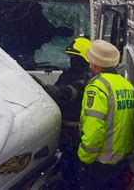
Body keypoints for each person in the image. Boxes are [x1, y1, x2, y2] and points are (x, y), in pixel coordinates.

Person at [77, 39, 134, 189]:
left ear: (95, 64)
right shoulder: (126, 85)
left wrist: (84, 158)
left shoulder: (97, 88)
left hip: (101, 164)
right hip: (121, 160)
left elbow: (94, 131)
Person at [41, 37, 92, 189]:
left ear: (83, 58)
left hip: (77, 132)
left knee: (77, 169)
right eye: (71, 57)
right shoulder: (68, 74)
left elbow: (68, 93)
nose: (71, 60)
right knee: (66, 165)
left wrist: (44, 88)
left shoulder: (88, 78)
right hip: (64, 129)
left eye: (74, 57)